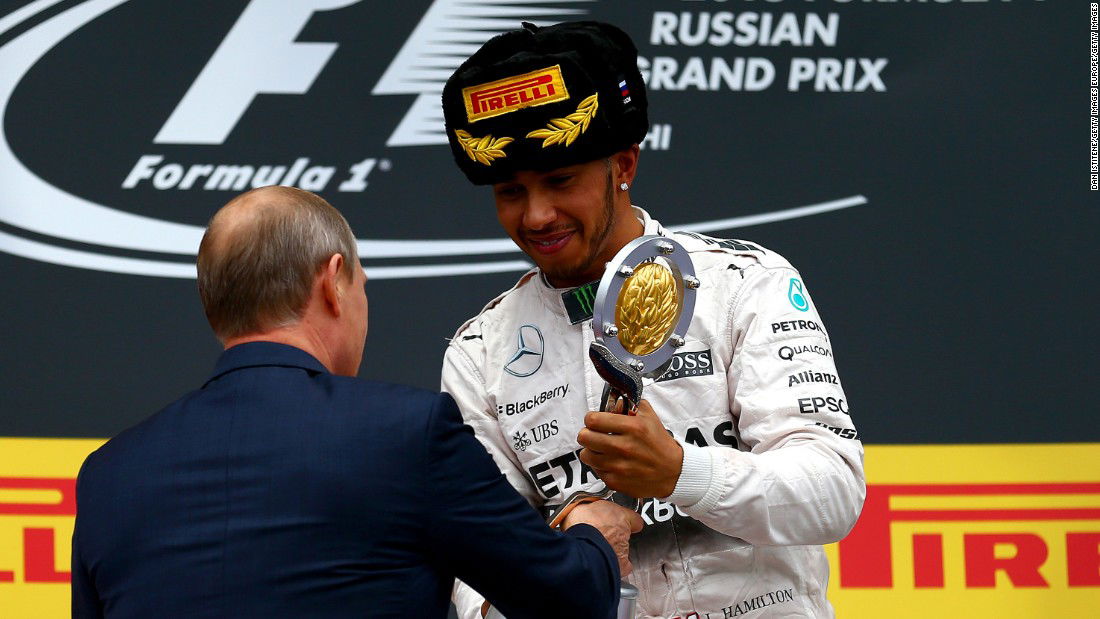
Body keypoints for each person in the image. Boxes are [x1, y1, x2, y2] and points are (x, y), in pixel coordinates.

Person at [439, 22, 866, 618]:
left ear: (624, 164)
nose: (536, 216)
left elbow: (834, 492)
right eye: (510, 191)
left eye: (561, 181)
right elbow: (476, 579)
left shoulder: (742, 282)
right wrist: (559, 561)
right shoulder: (479, 352)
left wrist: (681, 473)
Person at [71, 185, 641, 619]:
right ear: (333, 281)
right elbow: (566, 600)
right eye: (362, 284)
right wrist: (594, 532)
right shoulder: (405, 434)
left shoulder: (108, 476)